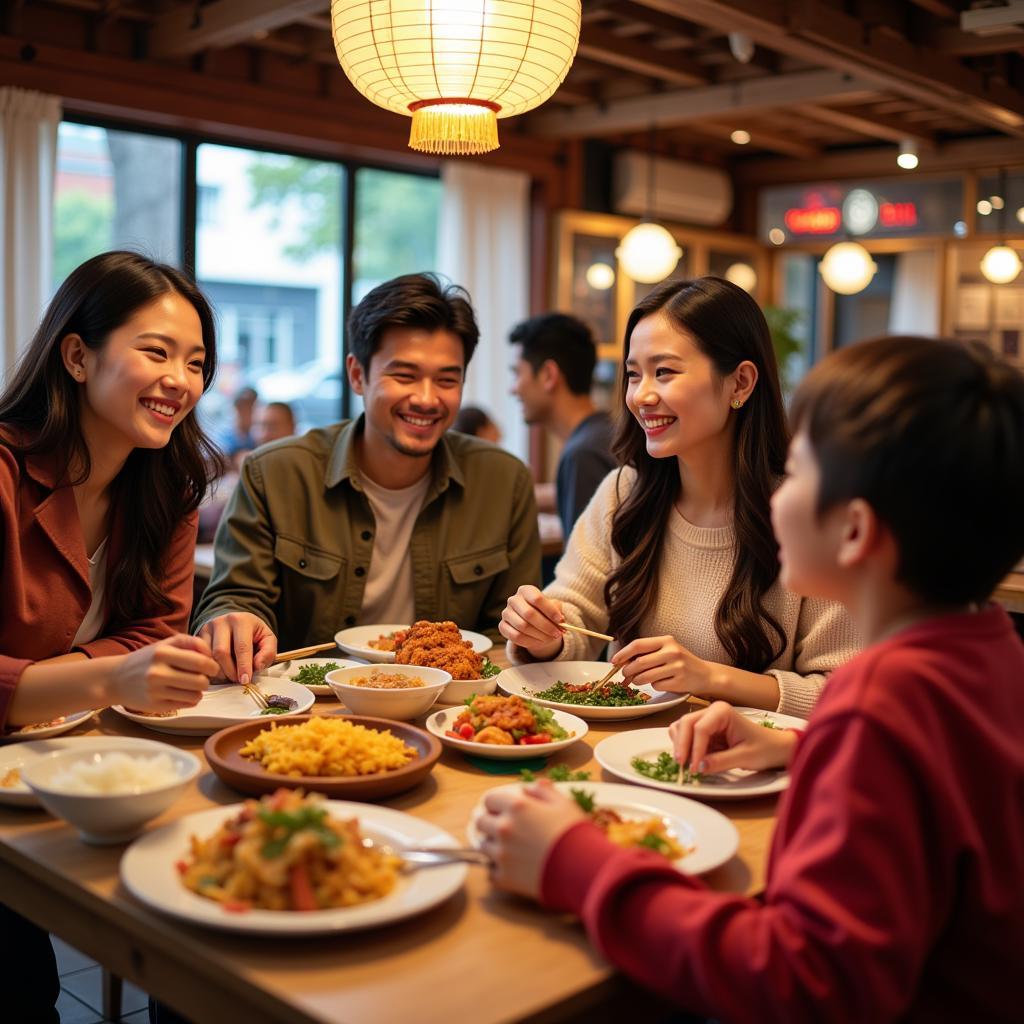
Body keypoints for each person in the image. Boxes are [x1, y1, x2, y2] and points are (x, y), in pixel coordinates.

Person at [479, 335, 1024, 1022]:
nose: (773, 494)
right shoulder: (992, 651)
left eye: (794, 474)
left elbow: (806, 984)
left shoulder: (877, 708)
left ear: (854, 532)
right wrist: (800, 742)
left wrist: (576, 862)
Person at [0, 251, 222, 1023]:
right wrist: (103, 678)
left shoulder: (168, 483)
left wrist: (59, 677)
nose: (181, 381)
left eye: (195, 362)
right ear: (76, 354)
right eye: (156, 352)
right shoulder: (3, 469)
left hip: (81, 769)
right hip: (27, 787)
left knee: (204, 924)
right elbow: (133, 658)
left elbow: (155, 631)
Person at [501, 278, 858, 717]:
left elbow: (844, 692)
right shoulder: (623, 492)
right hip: (629, 760)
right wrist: (542, 632)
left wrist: (710, 678)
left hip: (748, 773)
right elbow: (572, 614)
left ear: (740, 383)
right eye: (633, 374)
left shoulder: (810, 516)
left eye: (664, 371)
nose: (642, 396)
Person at [193, 273, 541, 685]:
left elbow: (508, 632)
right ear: (358, 375)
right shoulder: (276, 474)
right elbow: (236, 596)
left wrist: (535, 635)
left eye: (447, 379)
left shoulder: (503, 481)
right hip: (307, 711)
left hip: (446, 713)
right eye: (405, 375)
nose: (427, 399)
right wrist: (232, 620)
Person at [509, 313, 615, 539]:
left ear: (549, 375)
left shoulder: (583, 455)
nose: (513, 389)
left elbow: (589, 570)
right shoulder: (605, 435)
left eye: (517, 373)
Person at [221, 385, 257, 466]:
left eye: (252, 406)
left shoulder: (257, 434)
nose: (249, 411)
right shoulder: (224, 436)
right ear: (237, 407)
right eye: (244, 406)